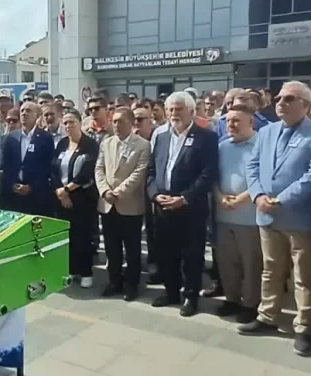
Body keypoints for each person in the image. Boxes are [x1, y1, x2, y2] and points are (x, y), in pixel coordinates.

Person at [239, 82, 311, 356]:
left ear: (305, 104)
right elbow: (253, 166)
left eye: (289, 99)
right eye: (279, 98)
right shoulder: (266, 131)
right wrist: (258, 196)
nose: (280, 102)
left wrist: (280, 200)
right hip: (266, 215)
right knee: (271, 269)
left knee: (303, 276)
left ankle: (304, 327)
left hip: (300, 217)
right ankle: (267, 315)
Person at [146, 92, 219, 317]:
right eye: (170, 110)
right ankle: (171, 292)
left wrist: (184, 198)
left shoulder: (206, 137)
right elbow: (151, 171)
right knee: (167, 253)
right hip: (163, 206)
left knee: (192, 255)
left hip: (190, 208)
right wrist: (155, 194)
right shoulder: (160, 136)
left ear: (191, 111)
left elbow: (208, 175)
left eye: (178, 109)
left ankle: (190, 296)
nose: (173, 114)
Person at [95, 106, 152, 301]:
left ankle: (131, 284)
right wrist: (104, 191)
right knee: (111, 247)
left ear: (131, 123)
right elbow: (99, 169)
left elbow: (139, 174)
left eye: (121, 121)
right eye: (115, 121)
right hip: (107, 204)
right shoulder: (107, 142)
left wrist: (117, 193)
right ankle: (114, 281)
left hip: (130, 204)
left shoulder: (143, 145)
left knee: (132, 248)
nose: (117, 125)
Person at [213, 104, 262, 323]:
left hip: (249, 216)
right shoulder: (223, 147)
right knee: (227, 261)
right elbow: (213, 176)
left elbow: (265, 178)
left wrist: (243, 198)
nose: (230, 125)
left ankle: (250, 303)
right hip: (224, 213)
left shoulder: (262, 145)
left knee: (251, 263)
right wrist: (219, 197)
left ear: (251, 122)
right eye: (228, 121)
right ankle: (231, 298)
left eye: (236, 121)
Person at [53, 109, 99, 288]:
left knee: (83, 236)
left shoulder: (90, 145)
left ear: (80, 123)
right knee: (67, 236)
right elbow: (54, 168)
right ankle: (71, 270)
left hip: (82, 198)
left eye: (72, 122)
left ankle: (86, 272)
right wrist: (59, 191)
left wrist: (67, 190)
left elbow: (87, 171)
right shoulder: (62, 144)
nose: (68, 126)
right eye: (65, 122)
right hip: (61, 198)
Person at [3, 101, 56, 216]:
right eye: (22, 111)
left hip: (36, 194)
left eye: (28, 111)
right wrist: (12, 184)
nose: (24, 113)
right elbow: (7, 164)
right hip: (15, 194)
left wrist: (32, 187)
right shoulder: (12, 137)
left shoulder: (45, 138)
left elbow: (47, 167)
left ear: (37, 116)